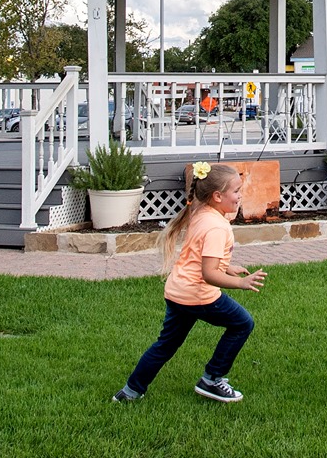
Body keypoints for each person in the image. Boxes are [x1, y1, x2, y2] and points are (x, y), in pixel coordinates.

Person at [113, 161, 266, 404]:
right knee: (242, 323)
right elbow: (209, 274)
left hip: (177, 291)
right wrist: (241, 283)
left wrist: (228, 267)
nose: (240, 196)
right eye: (236, 191)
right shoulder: (218, 227)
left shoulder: (201, 213)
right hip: (198, 295)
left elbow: (201, 256)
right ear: (217, 196)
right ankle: (212, 379)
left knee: (165, 345)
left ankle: (130, 392)